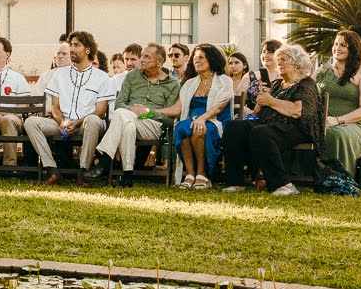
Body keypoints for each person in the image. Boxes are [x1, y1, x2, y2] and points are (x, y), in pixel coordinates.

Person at [220, 43, 323, 195]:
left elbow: (297, 111)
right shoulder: (276, 84)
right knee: (234, 126)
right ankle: (235, 181)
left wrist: (270, 101)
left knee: (261, 132)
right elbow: (257, 112)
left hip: (296, 126)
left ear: (297, 63)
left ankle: (284, 184)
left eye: (284, 60)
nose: (279, 62)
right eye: (278, 59)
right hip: (269, 123)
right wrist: (262, 98)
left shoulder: (306, 84)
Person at [25, 30, 114, 185]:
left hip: (86, 124)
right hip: (61, 123)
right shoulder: (59, 74)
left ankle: (83, 171)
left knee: (93, 120)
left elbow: (100, 112)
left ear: (87, 49)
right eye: (71, 45)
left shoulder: (101, 77)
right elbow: (55, 107)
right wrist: (63, 122)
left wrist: (76, 123)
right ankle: (52, 170)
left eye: (76, 45)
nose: (72, 49)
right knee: (31, 122)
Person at [97, 42, 180, 186]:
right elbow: (119, 104)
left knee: (122, 115)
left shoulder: (172, 84)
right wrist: (133, 110)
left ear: (159, 62)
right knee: (127, 125)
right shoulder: (132, 76)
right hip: (128, 119)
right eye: (142, 56)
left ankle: (104, 162)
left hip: (152, 126)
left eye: (147, 57)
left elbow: (169, 118)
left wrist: (148, 113)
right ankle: (127, 176)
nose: (142, 60)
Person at [318, 29, 361, 178]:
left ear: (352, 48)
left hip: (354, 123)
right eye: (335, 44)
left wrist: (338, 120)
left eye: (343, 45)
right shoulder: (321, 71)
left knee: (334, 134)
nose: (337, 48)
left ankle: (339, 177)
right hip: (322, 120)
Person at [171, 43, 232, 189]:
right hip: (193, 120)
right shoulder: (190, 83)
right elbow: (177, 108)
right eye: (195, 58)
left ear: (211, 59)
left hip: (216, 121)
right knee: (181, 127)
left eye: (201, 58)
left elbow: (219, 107)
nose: (196, 61)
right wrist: (151, 111)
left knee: (200, 128)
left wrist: (202, 118)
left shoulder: (224, 81)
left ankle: (202, 173)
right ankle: (190, 174)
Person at [0, 36, 32, 167]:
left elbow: (23, 106)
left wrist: (1, 114)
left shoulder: (17, 78)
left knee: (8, 120)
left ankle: (9, 166)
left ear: (7, 54)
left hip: (11, 121)